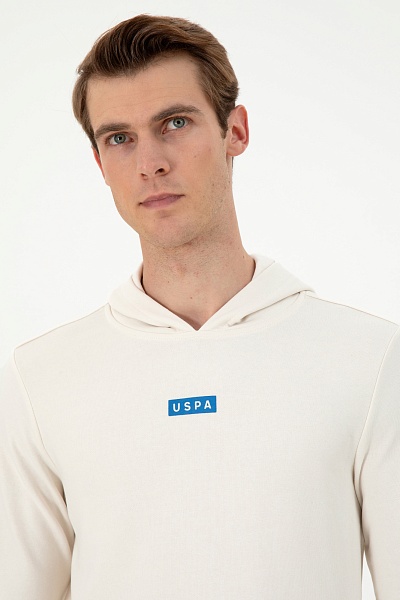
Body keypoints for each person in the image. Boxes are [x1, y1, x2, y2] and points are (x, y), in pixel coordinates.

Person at [0, 14, 399, 600]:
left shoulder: (369, 360)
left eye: (175, 123)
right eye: (119, 138)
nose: (150, 163)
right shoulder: (41, 379)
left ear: (235, 131)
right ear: (100, 164)